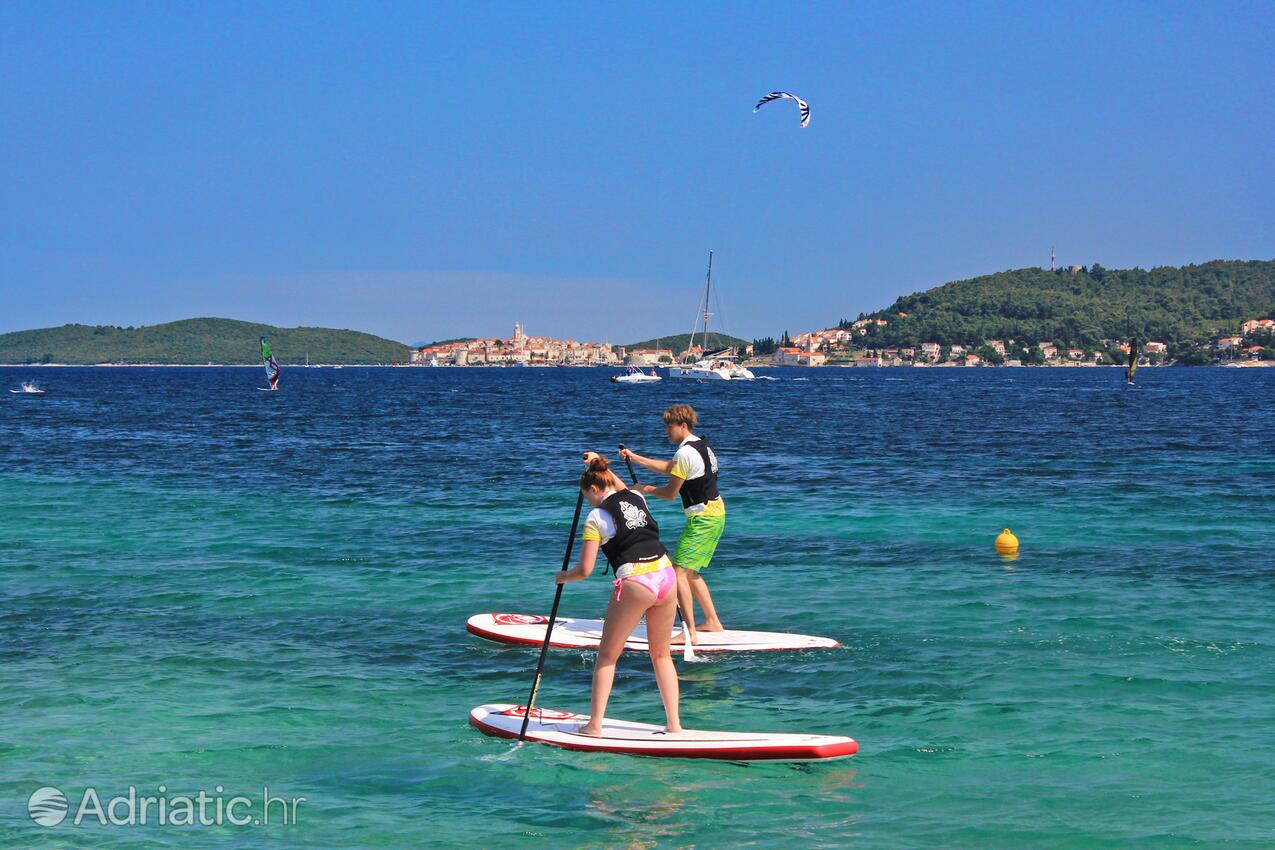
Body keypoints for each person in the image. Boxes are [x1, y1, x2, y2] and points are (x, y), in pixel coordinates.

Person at [556, 456, 682, 735]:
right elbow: (617, 485)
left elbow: (585, 570)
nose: (588, 501)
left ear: (593, 490)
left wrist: (564, 577)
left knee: (607, 656)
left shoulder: (595, 518)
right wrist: (597, 462)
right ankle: (674, 725)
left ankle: (594, 725)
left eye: (586, 495)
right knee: (661, 655)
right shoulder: (637, 497)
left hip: (637, 582)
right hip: (666, 575)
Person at [619, 404, 726, 644]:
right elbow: (672, 469)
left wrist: (643, 489)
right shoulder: (700, 445)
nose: (666, 431)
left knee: (678, 573)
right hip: (715, 512)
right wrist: (636, 459)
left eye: (670, 426)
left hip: (704, 519)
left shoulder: (685, 453)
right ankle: (713, 622)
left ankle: (690, 633)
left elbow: (669, 492)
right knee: (690, 573)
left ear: (683, 425)